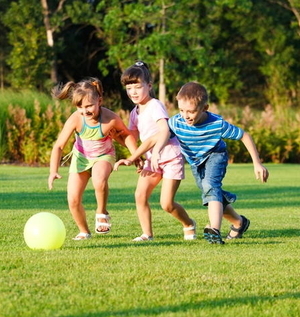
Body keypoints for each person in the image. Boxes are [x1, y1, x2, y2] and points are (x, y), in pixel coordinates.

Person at [115, 81, 269, 244]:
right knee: (211, 193)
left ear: (205, 108)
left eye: (191, 111)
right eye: (181, 110)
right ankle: (239, 222)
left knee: (210, 186)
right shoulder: (177, 122)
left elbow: (244, 135)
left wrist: (257, 163)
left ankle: (214, 230)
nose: (186, 115)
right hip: (196, 162)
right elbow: (156, 137)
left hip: (215, 155)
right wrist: (133, 157)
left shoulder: (217, 124)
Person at [114, 61, 196, 242]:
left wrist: (156, 150)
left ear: (149, 86)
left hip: (170, 156)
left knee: (166, 204)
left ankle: (189, 224)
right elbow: (131, 138)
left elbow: (164, 130)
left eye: (137, 86)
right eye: (129, 88)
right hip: (152, 159)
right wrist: (115, 138)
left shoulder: (155, 105)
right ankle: (147, 234)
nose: (133, 92)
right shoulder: (135, 112)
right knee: (140, 195)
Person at [48, 77, 138, 240]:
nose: (85, 111)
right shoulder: (76, 118)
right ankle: (84, 231)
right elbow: (59, 146)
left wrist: (136, 155)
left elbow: (127, 136)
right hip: (81, 159)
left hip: (104, 156)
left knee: (99, 179)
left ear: (100, 101)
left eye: (89, 106)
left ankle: (101, 212)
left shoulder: (110, 118)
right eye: (80, 107)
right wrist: (53, 171)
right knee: (73, 199)